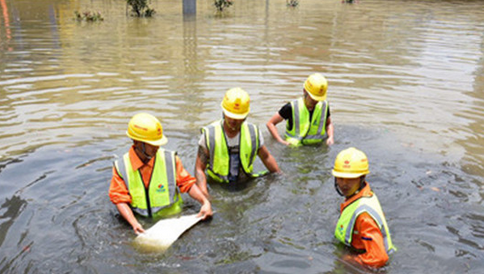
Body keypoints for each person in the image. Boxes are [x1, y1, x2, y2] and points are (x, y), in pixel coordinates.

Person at [109, 113, 212, 234]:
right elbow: (119, 199)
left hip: (174, 220)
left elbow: (187, 184)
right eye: (152, 144)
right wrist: (134, 223)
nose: (157, 147)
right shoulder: (121, 167)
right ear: (137, 142)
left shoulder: (169, 160)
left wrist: (205, 202)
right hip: (141, 223)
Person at [195, 87, 280, 196]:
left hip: (246, 183)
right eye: (229, 116)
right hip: (217, 185)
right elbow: (199, 169)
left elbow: (266, 157)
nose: (232, 121)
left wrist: (279, 176)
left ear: (245, 116)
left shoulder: (253, 133)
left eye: (237, 117)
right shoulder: (210, 135)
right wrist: (205, 197)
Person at [332, 147, 396, 268]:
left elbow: (379, 258)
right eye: (341, 178)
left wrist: (351, 259)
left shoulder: (364, 215)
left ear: (362, 178)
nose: (344, 184)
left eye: (351, 179)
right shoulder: (361, 195)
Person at [266, 73, 334, 146]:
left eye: (318, 98)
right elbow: (270, 123)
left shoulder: (324, 106)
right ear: (304, 91)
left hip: (318, 147)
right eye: (313, 98)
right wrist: (280, 141)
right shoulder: (291, 107)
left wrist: (331, 137)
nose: (315, 101)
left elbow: (328, 124)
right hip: (294, 150)